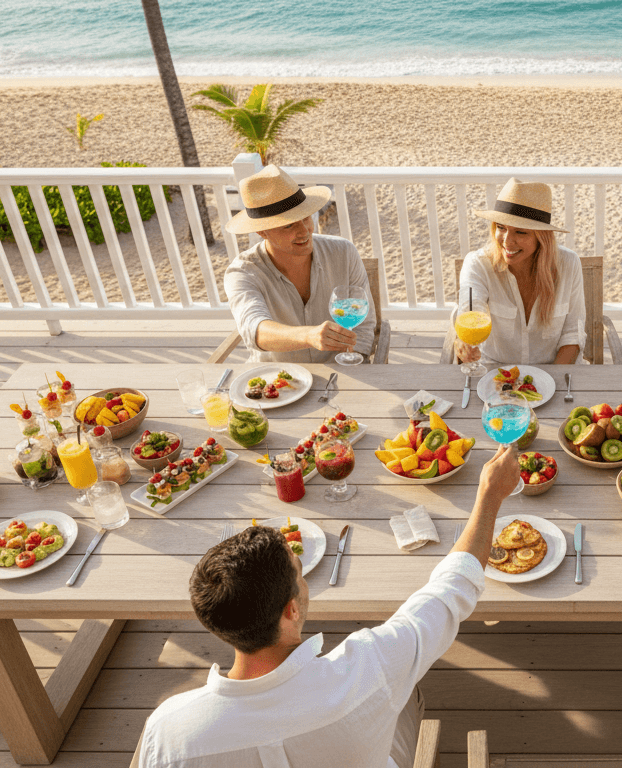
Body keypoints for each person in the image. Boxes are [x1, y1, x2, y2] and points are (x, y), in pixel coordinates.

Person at [130, 446, 520, 768]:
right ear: (291, 611)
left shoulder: (167, 732)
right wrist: (489, 496)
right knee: (405, 692)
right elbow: (452, 588)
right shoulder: (368, 668)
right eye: (299, 573)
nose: (304, 582)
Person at [224, 164, 377, 364]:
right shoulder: (242, 272)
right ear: (262, 232)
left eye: (306, 218)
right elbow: (255, 329)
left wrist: (356, 365)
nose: (304, 231)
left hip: (341, 372)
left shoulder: (344, 252)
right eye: (289, 225)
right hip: (277, 382)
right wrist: (308, 336)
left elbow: (364, 326)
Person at [451, 178, 585, 366]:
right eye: (501, 227)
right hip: (495, 375)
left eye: (520, 232)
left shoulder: (569, 264)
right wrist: (463, 341)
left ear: (542, 237)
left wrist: (546, 384)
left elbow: (572, 335)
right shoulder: (478, 264)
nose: (507, 241)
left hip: (554, 374)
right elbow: (471, 310)